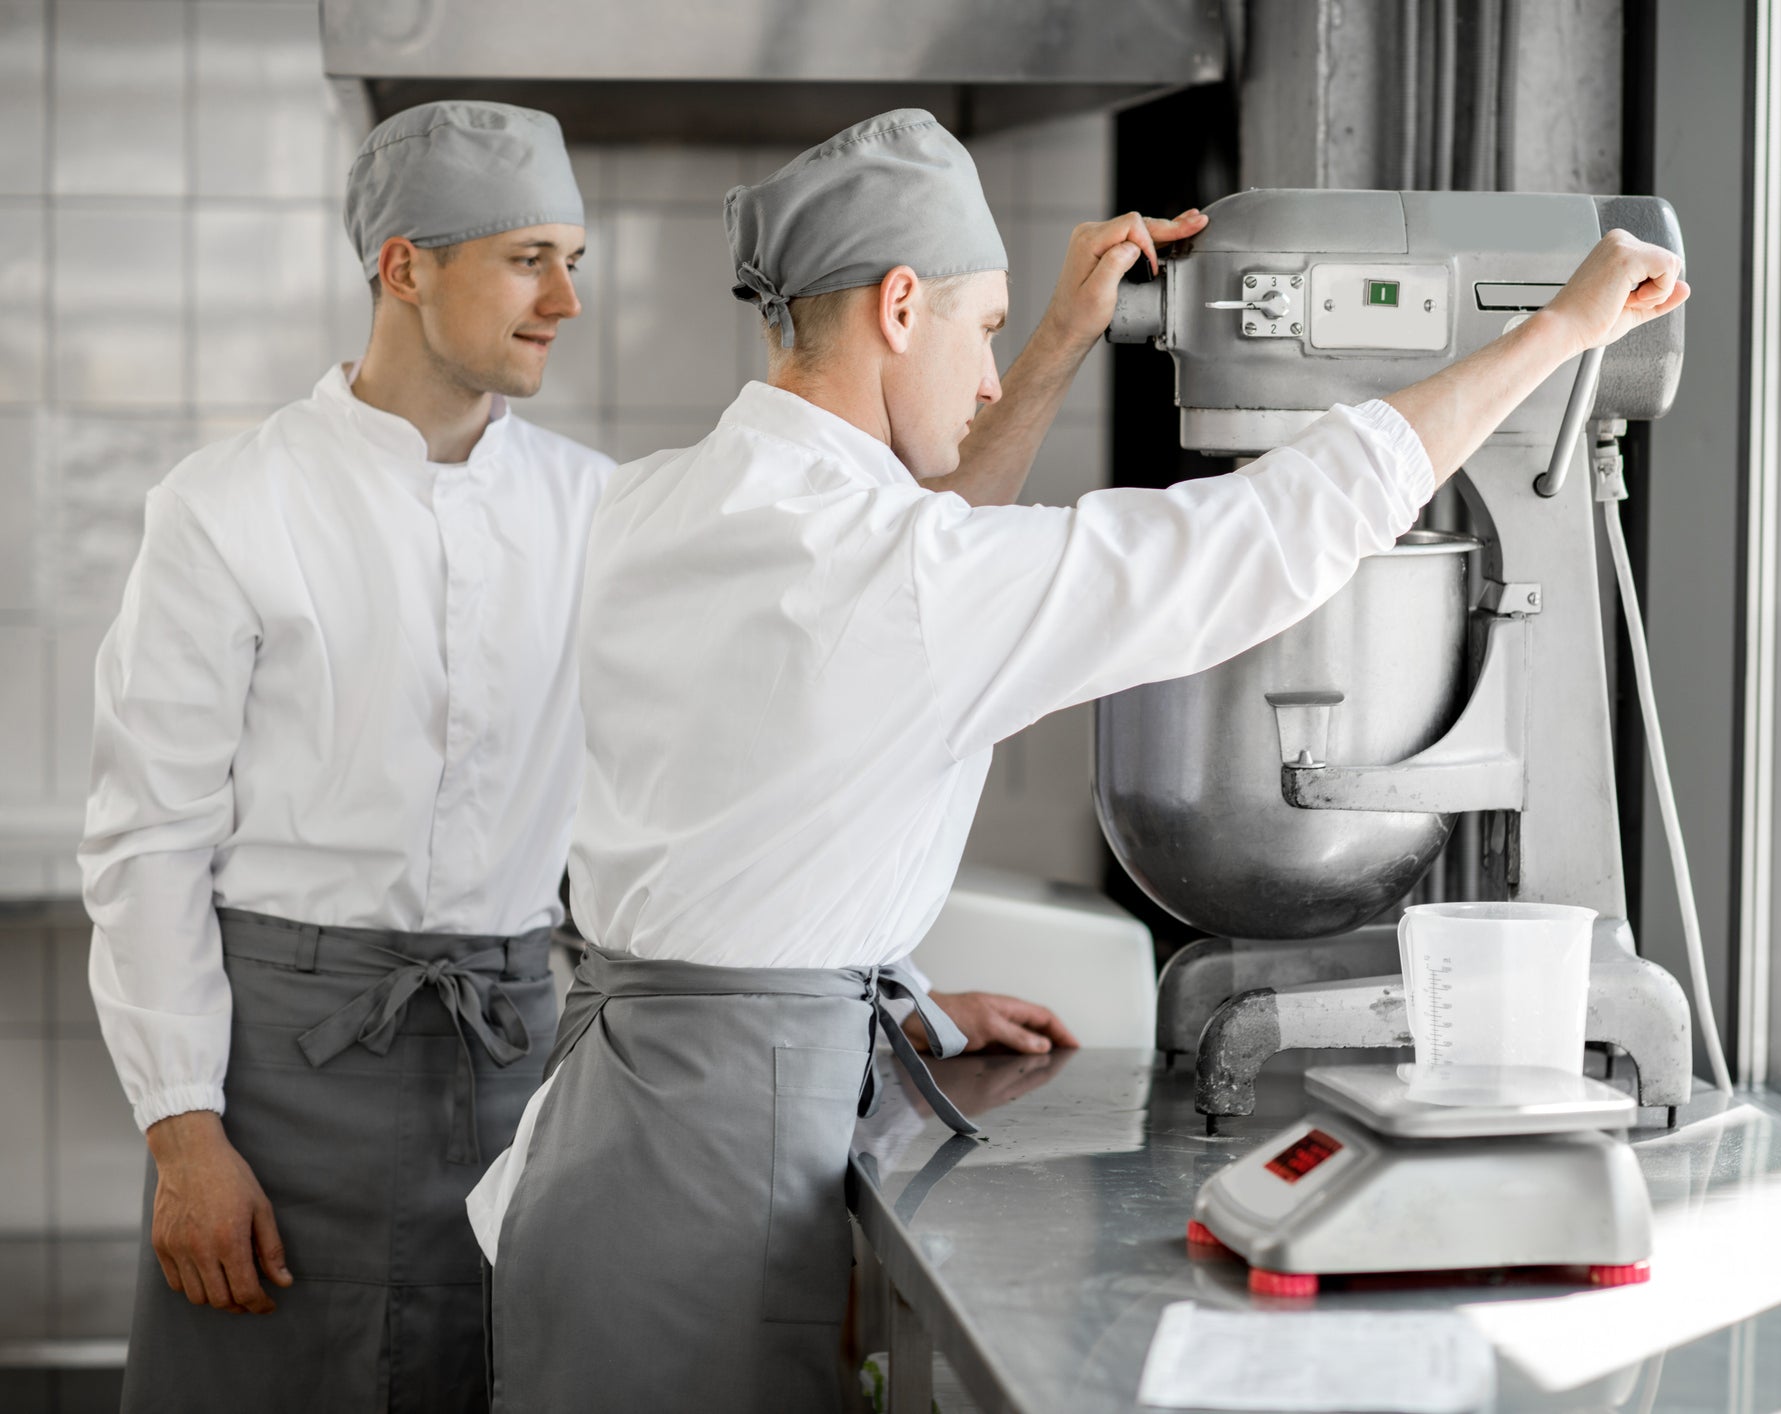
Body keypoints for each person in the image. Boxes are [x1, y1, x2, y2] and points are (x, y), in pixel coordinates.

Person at [474, 108, 1687, 1412]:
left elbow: (878, 634)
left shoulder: (658, 500)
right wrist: (1554, 335)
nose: (990, 377)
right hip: (713, 1176)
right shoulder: (889, 573)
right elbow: (1258, 537)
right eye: (982, 329)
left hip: (611, 1138)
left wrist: (888, 999)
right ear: (898, 306)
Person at [79, 100, 606, 1412]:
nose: (565, 303)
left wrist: (907, 982)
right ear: (406, 267)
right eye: (529, 258)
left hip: (513, 1077)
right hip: (275, 1085)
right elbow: (149, 836)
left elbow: (720, 769)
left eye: (574, 262)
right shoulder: (225, 507)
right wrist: (185, 1135)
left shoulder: (601, 509)